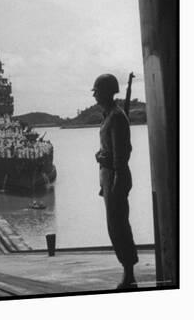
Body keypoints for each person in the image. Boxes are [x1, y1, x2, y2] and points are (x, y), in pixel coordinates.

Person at [92, 73, 138, 289]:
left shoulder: (117, 117)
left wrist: (116, 181)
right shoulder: (110, 115)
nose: (94, 95)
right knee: (115, 226)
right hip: (110, 178)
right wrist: (101, 156)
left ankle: (129, 273)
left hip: (115, 178)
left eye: (97, 91)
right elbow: (112, 149)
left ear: (107, 92)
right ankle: (127, 271)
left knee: (118, 226)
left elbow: (122, 153)